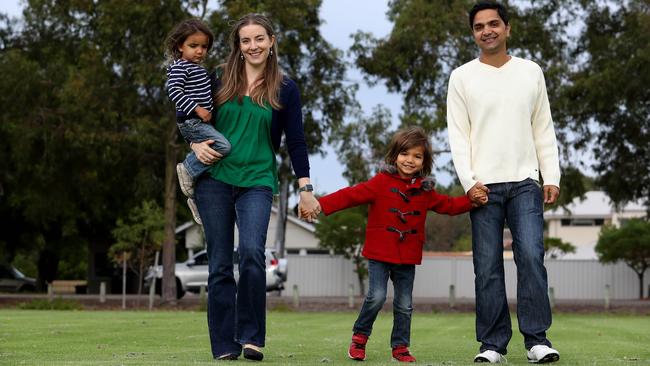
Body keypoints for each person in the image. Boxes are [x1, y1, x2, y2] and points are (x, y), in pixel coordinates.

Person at [188, 13, 320, 361]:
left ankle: (251, 338)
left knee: (251, 254)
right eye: (246, 40)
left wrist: (306, 187)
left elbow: (296, 142)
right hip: (213, 180)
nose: (253, 46)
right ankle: (223, 346)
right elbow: (189, 113)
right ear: (238, 45)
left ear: (271, 41)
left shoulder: (285, 88)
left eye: (259, 38)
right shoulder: (217, 78)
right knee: (218, 264)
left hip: (258, 181)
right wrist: (193, 145)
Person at [446, 1, 562, 363]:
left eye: (494, 24)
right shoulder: (461, 77)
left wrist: (551, 174)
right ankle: (493, 345)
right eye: (479, 26)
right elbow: (458, 135)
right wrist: (468, 182)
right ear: (473, 34)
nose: (487, 31)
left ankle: (537, 341)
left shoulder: (530, 72)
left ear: (507, 28)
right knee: (487, 265)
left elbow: (542, 126)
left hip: (526, 181)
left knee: (530, 256)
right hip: (483, 187)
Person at [316, 126, 487, 363]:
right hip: (379, 252)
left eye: (417, 156)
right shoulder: (380, 182)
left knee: (405, 304)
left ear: (424, 162)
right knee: (376, 296)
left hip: (407, 255)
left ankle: (400, 347)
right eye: (405, 154)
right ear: (395, 155)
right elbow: (350, 195)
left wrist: (471, 201)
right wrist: (320, 205)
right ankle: (359, 339)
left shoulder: (425, 191)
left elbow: (448, 205)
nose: (410, 160)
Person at [164, 18, 232, 225]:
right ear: (180, 46)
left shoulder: (197, 69)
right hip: (192, 122)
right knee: (224, 146)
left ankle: (195, 201)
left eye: (204, 47)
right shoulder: (180, 67)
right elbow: (173, 91)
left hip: (201, 122)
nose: (200, 51)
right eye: (193, 46)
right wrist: (198, 109)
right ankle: (188, 168)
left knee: (211, 159)